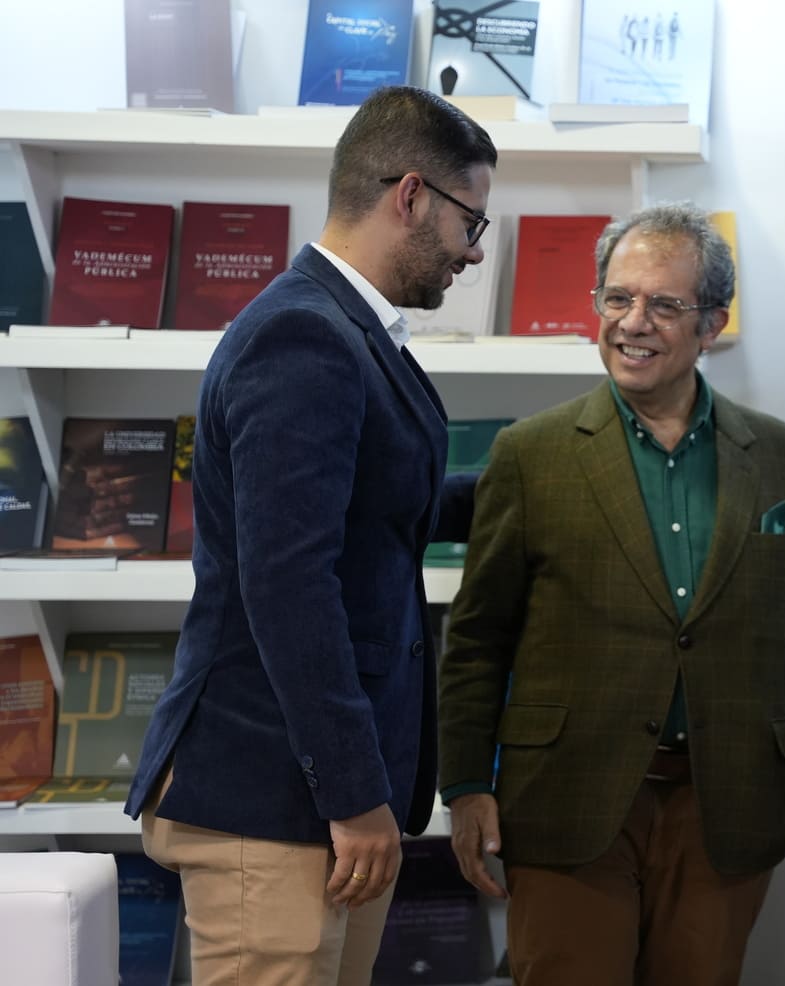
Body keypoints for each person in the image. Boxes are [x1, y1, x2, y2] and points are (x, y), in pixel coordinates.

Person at [122, 86, 497, 985]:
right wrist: (355, 792)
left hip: (315, 802)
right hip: (278, 800)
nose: (474, 252)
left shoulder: (346, 328)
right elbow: (288, 583)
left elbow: (377, 515)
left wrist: (531, 483)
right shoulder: (305, 334)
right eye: (470, 223)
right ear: (411, 196)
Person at [438, 201, 785, 986]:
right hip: (566, 798)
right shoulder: (529, 454)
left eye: (664, 304)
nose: (633, 322)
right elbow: (478, 638)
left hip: (728, 804)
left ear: (712, 324)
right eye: (617, 298)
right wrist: (466, 786)